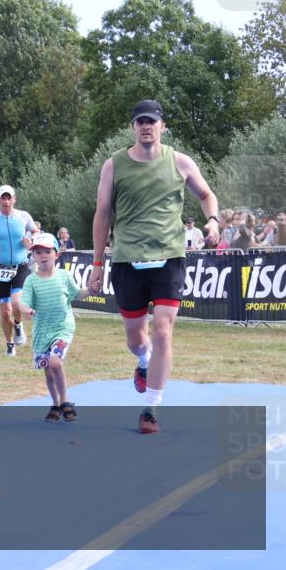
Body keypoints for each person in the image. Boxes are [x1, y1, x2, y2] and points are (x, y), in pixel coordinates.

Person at [89, 99, 220, 435]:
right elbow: (102, 214)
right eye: (140, 122)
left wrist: (213, 221)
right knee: (136, 339)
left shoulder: (180, 161)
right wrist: (98, 263)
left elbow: (206, 195)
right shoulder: (113, 165)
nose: (146, 127)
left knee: (163, 331)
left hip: (169, 257)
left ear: (162, 126)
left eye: (152, 121)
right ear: (133, 127)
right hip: (127, 260)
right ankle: (143, 362)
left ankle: (150, 409)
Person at [20, 233, 90, 423]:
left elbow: (77, 294)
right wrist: (26, 310)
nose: (43, 255)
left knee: (56, 362)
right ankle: (56, 403)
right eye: (38, 252)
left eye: (47, 251)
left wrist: (91, 289)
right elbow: (23, 302)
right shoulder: (31, 280)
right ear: (33, 256)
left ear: (56, 254)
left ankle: (66, 400)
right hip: (42, 332)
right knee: (48, 371)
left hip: (63, 328)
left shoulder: (65, 276)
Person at [0, 185, 36, 356]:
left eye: (8, 197)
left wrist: (30, 240)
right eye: (2, 198)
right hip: (0, 268)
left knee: (17, 302)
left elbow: (36, 231)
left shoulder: (23, 216)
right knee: (5, 311)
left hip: (20, 266)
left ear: (14, 199)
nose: (6, 201)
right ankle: (9, 344)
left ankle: (18, 325)